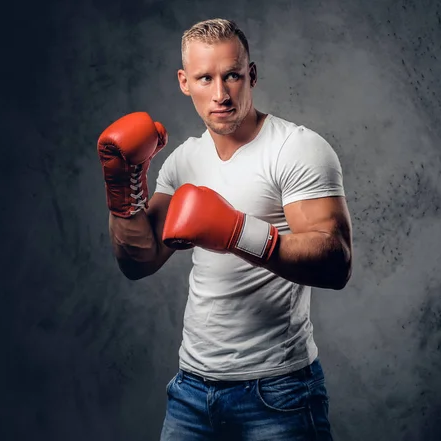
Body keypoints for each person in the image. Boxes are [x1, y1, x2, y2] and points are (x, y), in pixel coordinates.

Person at [97, 18, 353, 441]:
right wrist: (122, 189)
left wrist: (237, 232)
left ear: (250, 74)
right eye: (205, 78)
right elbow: (138, 261)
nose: (220, 94)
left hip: (278, 391)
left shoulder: (295, 148)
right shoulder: (184, 160)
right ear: (184, 82)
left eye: (232, 75)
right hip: (191, 392)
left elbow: (336, 262)